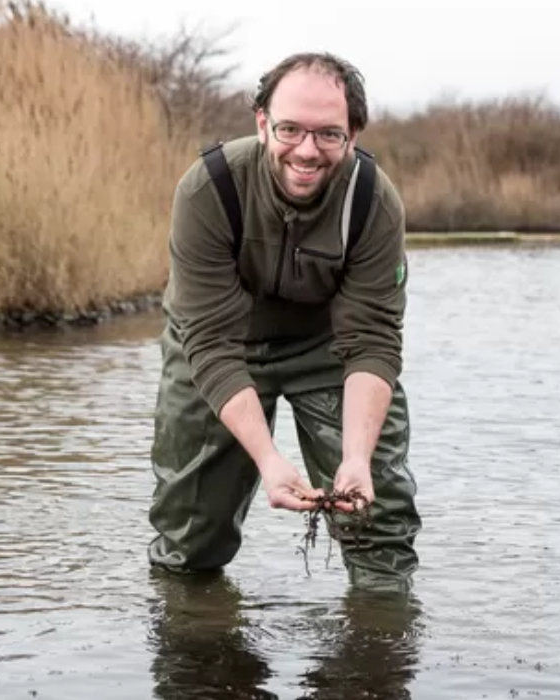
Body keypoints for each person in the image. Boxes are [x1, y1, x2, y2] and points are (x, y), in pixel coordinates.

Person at [147, 52, 421, 593]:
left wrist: (358, 458)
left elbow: (373, 340)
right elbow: (211, 343)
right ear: (262, 122)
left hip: (329, 350)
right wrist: (270, 462)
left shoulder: (373, 201)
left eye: (328, 135)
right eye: (290, 129)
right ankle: (196, 653)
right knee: (189, 540)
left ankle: (376, 661)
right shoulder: (207, 189)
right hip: (216, 345)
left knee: (378, 520)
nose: (307, 150)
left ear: (354, 133)